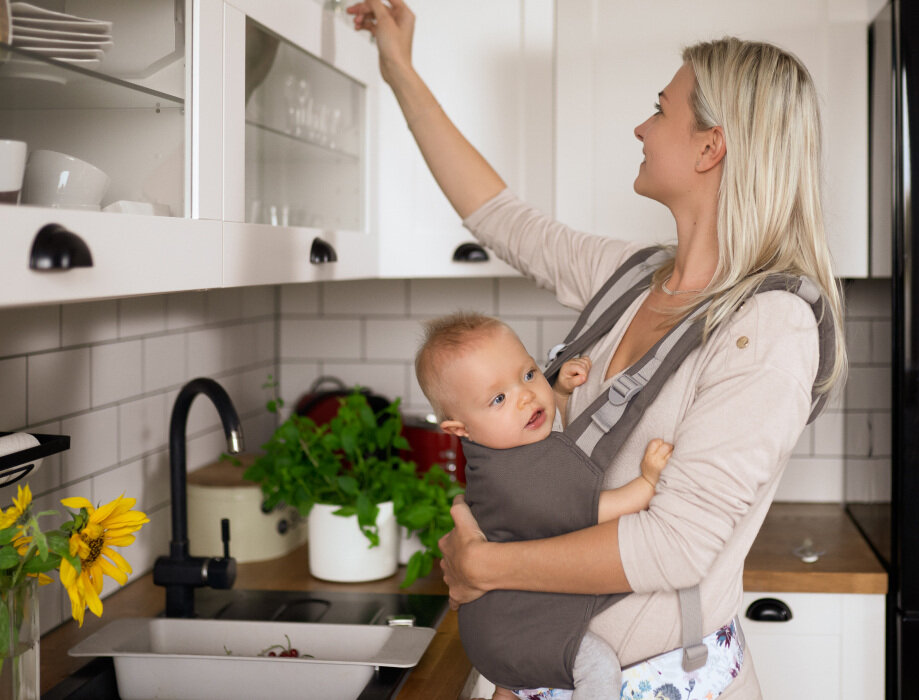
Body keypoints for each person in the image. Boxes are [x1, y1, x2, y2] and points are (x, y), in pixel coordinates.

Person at [348, 1, 848, 698]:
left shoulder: (769, 326)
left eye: (661, 109)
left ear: (711, 146)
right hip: (541, 670)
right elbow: (498, 215)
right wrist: (397, 67)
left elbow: (671, 546)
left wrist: (487, 567)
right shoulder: (630, 277)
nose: (641, 126)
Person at [416, 311, 674, 699]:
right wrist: (647, 483)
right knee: (597, 666)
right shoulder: (520, 479)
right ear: (460, 430)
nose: (525, 397)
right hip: (515, 627)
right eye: (499, 398)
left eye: (528, 374)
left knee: (513, 683)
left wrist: (560, 395)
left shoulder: (494, 455)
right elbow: (594, 510)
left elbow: (548, 435)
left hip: (496, 623)